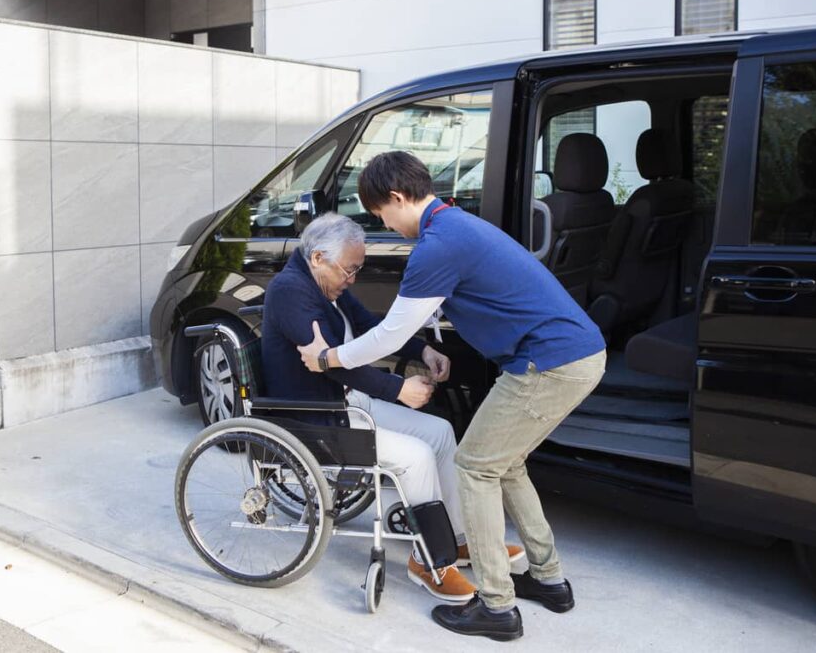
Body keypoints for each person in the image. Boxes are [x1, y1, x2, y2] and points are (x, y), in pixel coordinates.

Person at [297, 152, 606, 641]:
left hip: (548, 363)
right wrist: (428, 349)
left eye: (381, 214)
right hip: (576, 354)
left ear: (397, 198)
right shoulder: (456, 224)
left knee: (475, 467)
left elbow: (389, 335)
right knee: (506, 464)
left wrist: (328, 358)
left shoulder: (436, 246)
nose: (385, 225)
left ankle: (497, 607)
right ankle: (549, 581)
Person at [259, 212, 524, 602]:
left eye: (357, 270)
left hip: (344, 404)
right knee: (415, 456)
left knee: (440, 433)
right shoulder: (290, 292)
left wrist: (422, 350)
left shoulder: (327, 284)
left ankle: (458, 540)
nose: (353, 279)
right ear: (317, 258)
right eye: (349, 270)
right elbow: (332, 366)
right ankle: (430, 561)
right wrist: (398, 389)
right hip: (313, 417)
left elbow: (371, 326)